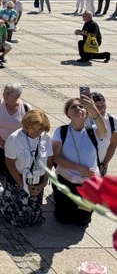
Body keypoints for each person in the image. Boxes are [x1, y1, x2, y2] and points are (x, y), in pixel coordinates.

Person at [51, 96, 107, 226]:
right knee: (63, 218)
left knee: (82, 221)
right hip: (66, 179)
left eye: (81, 107)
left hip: (88, 183)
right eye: (73, 107)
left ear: (87, 113)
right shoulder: (62, 131)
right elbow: (56, 157)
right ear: (68, 113)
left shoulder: (93, 131)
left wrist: (93, 109)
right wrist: (80, 168)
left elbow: (104, 132)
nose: (78, 109)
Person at [0, 110, 53, 227]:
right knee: (18, 220)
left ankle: (1, 193)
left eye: (40, 129)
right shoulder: (14, 139)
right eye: (32, 128)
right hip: (18, 179)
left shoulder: (46, 138)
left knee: (34, 219)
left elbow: (49, 160)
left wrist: (44, 182)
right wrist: (23, 184)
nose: (36, 132)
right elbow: (10, 163)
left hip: (36, 180)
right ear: (26, 125)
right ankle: (1, 195)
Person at [0, 84, 31, 176]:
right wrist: (3, 144)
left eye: (9, 93)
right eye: (4, 92)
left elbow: (30, 128)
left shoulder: (26, 108)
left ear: (17, 96)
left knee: (15, 172)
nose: (4, 95)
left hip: (18, 148)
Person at [85, 92, 117, 176]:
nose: (102, 109)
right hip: (84, 166)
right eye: (98, 107)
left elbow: (113, 145)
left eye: (103, 106)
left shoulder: (112, 121)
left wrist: (104, 164)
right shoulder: (85, 119)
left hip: (100, 166)